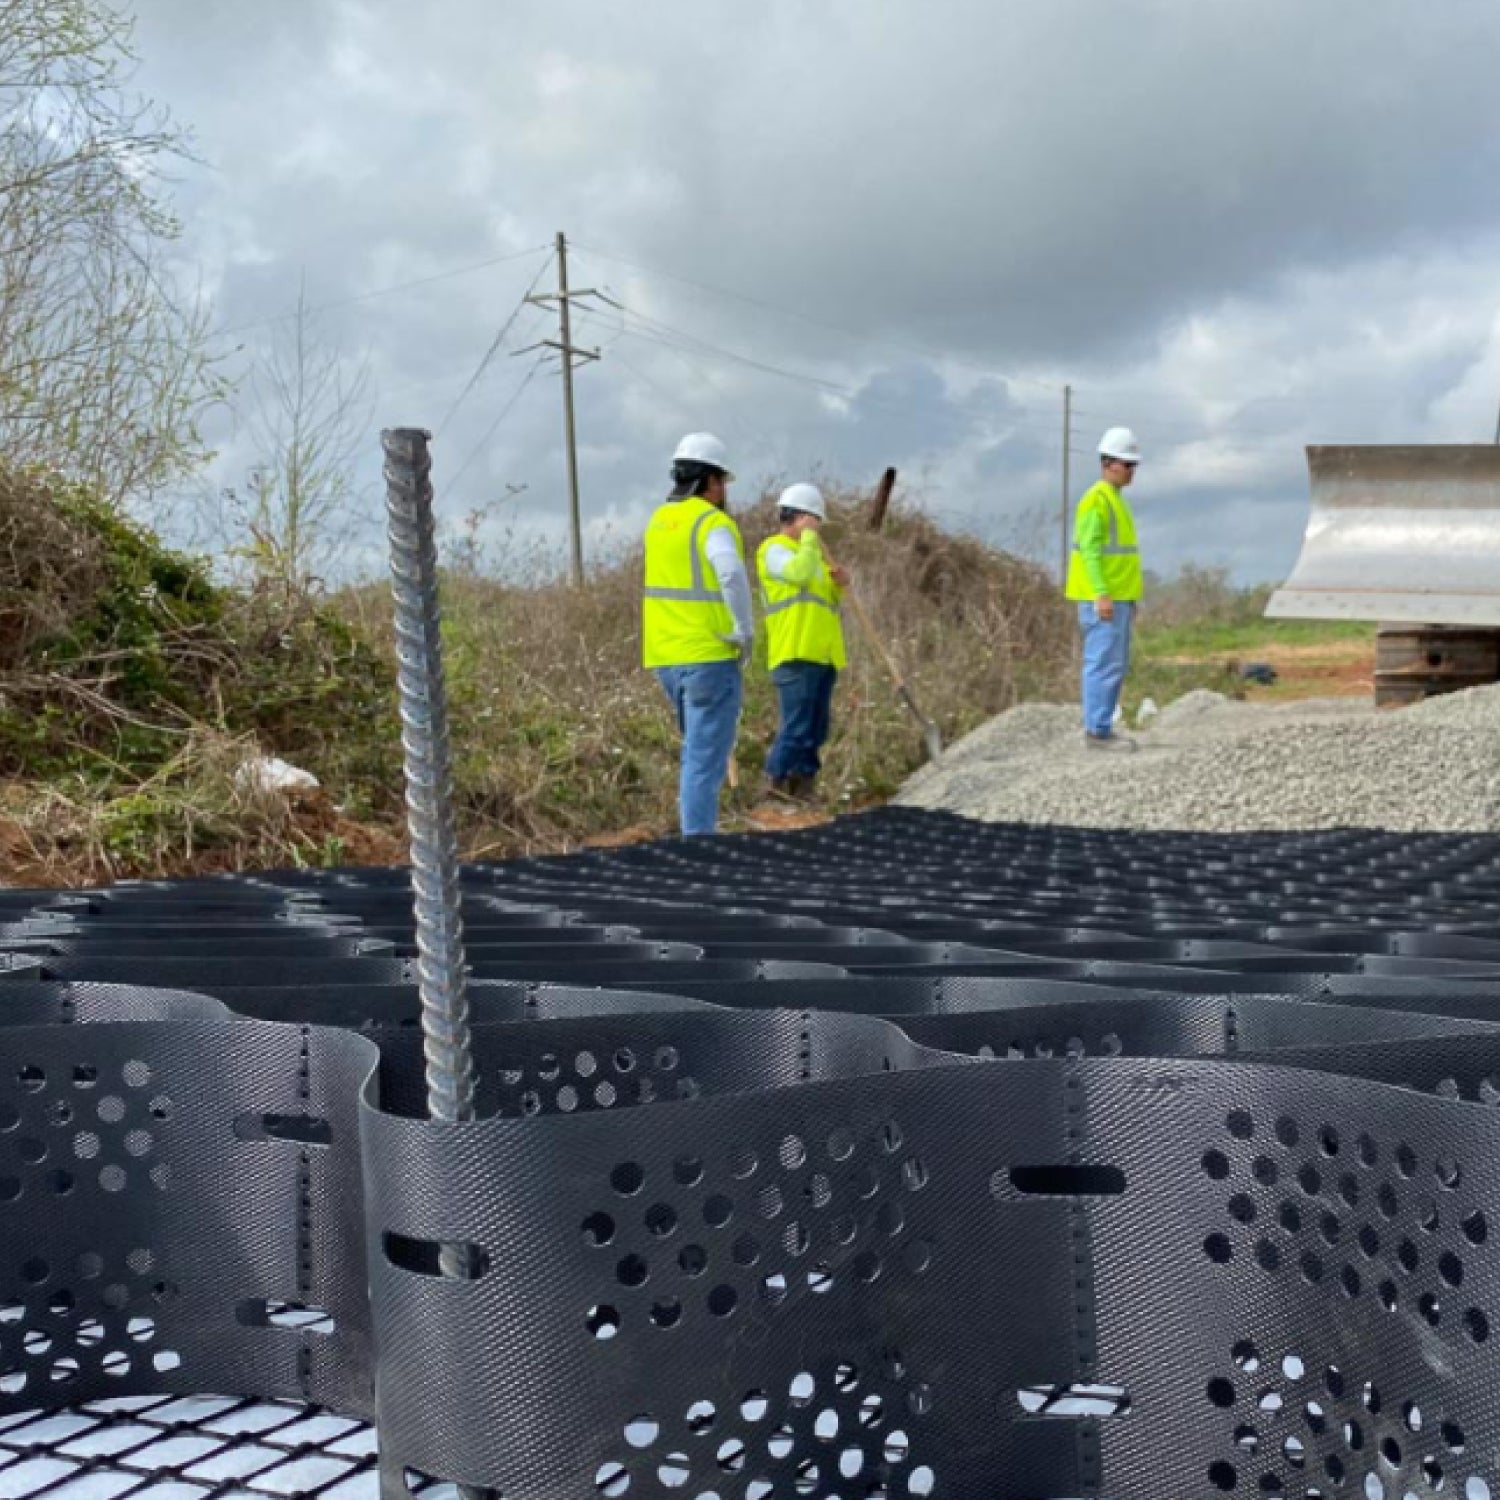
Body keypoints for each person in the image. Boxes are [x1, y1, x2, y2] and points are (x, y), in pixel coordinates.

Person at [641, 433, 755, 835]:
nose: (723, 490)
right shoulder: (712, 522)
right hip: (709, 654)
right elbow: (729, 572)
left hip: (666, 659)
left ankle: (699, 833)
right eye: (722, 480)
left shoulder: (658, 522)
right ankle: (699, 846)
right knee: (703, 761)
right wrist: (744, 630)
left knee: (697, 756)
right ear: (710, 481)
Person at [756, 483, 849, 798]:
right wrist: (809, 539)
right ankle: (774, 787)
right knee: (795, 729)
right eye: (813, 521)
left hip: (822, 655)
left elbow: (826, 606)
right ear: (797, 518)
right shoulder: (774, 550)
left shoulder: (816, 560)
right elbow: (797, 574)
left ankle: (804, 787)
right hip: (794, 652)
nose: (817, 529)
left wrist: (838, 586)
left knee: (816, 730)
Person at [1066, 426, 1144, 751]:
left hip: (1118, 598)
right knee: (1102, 664)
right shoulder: (1096, 500)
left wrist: (1128, 598)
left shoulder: (1115, 500)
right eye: (1128, 465)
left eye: (1134, 466)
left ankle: (1102, 727)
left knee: (1114, 665)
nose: (1132, 472)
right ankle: (1097, 732)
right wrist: (1101, 593)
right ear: (1109, 463)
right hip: (1103, 600)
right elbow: (1091, 551)